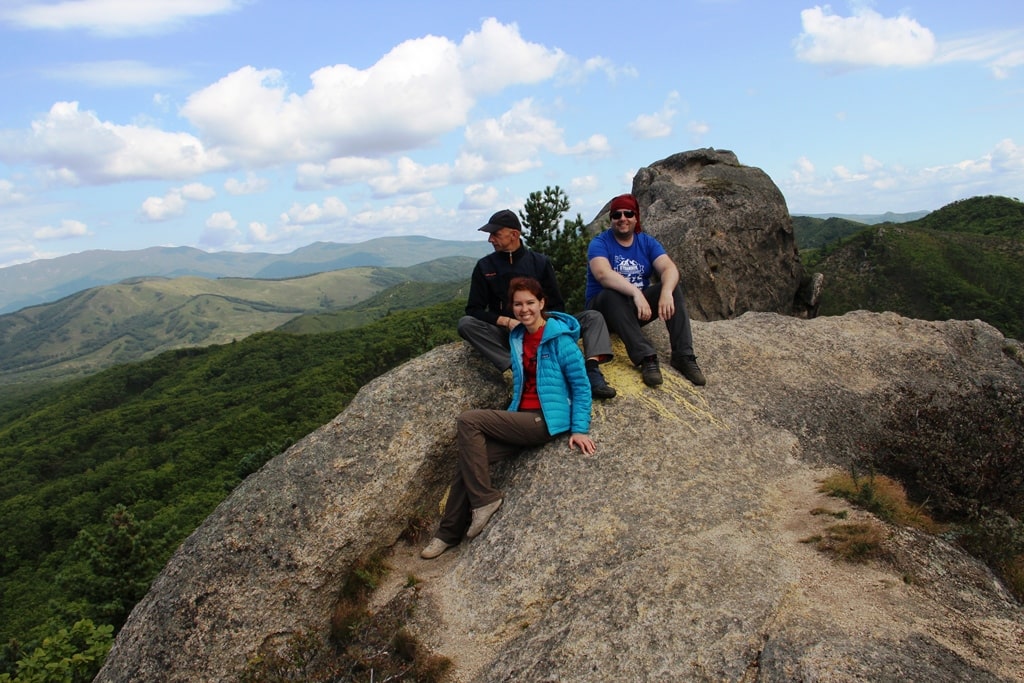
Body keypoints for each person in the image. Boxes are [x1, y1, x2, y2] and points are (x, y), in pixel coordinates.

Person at [421, 277, 596, 559]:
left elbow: (581, 385)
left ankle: (485, 500)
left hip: (544, 420)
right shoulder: (518, 338)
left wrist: (580, 429)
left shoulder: (560, 340)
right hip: (520, 419)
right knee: (469, 458)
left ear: (542, 303)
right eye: (518, 304)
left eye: (530, 302)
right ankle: (447, 534)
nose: (524, 309)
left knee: (469, 420)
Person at [458, 209, 617, 399]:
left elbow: (557, 305)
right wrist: (506, 322)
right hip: (508, 332)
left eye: (496, 234)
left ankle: (591, 371)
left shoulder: (539, 262)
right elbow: (474, 309)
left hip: (542, 327)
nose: (490, 239)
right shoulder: (485, 267)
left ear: (514, 234)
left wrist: (544, 326)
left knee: (593, 317)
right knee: (466, 324)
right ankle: (520, 369)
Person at [585, 194, 707, 387]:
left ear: (636, 217)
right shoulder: (600, 243)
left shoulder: (647, 242)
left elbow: (669, 268)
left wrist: (666, 292)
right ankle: (646, 358)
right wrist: (636, 292)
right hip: (604, 311)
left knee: (672, 287)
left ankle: (683, 355)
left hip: (634, 309)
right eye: (617, 215)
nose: (622, 218)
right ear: (611, 219)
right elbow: (603, 274)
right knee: (610, 294)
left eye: (628, 213)